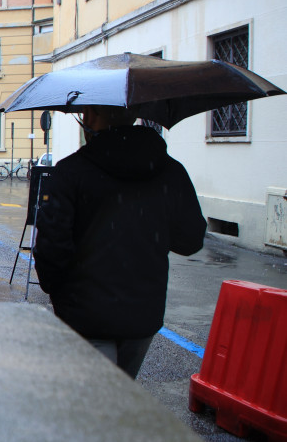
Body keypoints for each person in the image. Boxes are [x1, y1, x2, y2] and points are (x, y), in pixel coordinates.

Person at [33, 105, 206, 378]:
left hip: (83, 315)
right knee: (121, 399)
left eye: (83, 114)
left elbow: (51, 248)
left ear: (92, 117)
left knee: (91, 407)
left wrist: (59, 292)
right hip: (142, 314)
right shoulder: (170, 171)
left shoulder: (70, 172)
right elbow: (191, 240)